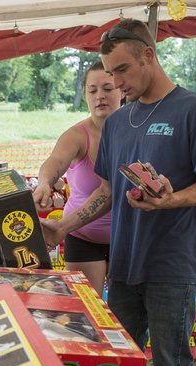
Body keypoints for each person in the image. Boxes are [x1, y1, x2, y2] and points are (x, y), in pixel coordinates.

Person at [40, 19, 196, 366]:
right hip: (123, 262)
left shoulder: (195, 110)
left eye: (122, 70)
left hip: (170, 264)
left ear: (148, 55)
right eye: (107, 74)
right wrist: (63, 226)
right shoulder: (119, 123)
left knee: (172, 363)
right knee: (123, 356)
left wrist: (171, 199)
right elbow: (106, 191)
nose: (116, 83)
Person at [33, 61, 123, 294]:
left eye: (107, 88)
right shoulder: (76, 135)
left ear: (122, 89)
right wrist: (44, 183)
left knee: (125, 322)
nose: (99, 96)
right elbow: (55, 162)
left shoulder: (136, 131)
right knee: (86, 314)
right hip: (82, 237)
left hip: (127, 241)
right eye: (92, 90)